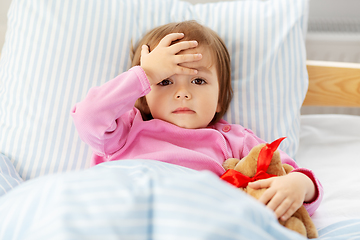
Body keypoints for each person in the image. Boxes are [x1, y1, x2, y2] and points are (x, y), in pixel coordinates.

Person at [72, 20, 323, 222]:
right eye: (165, 81)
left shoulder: (234, 139)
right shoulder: (125, 130)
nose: (183, 93)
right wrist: (145, 74)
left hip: (194, 218)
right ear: (143, 97)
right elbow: (88, 116)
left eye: (198, 81)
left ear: (220, 101)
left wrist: (300, 185)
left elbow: (286, 170)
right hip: (125, 213)